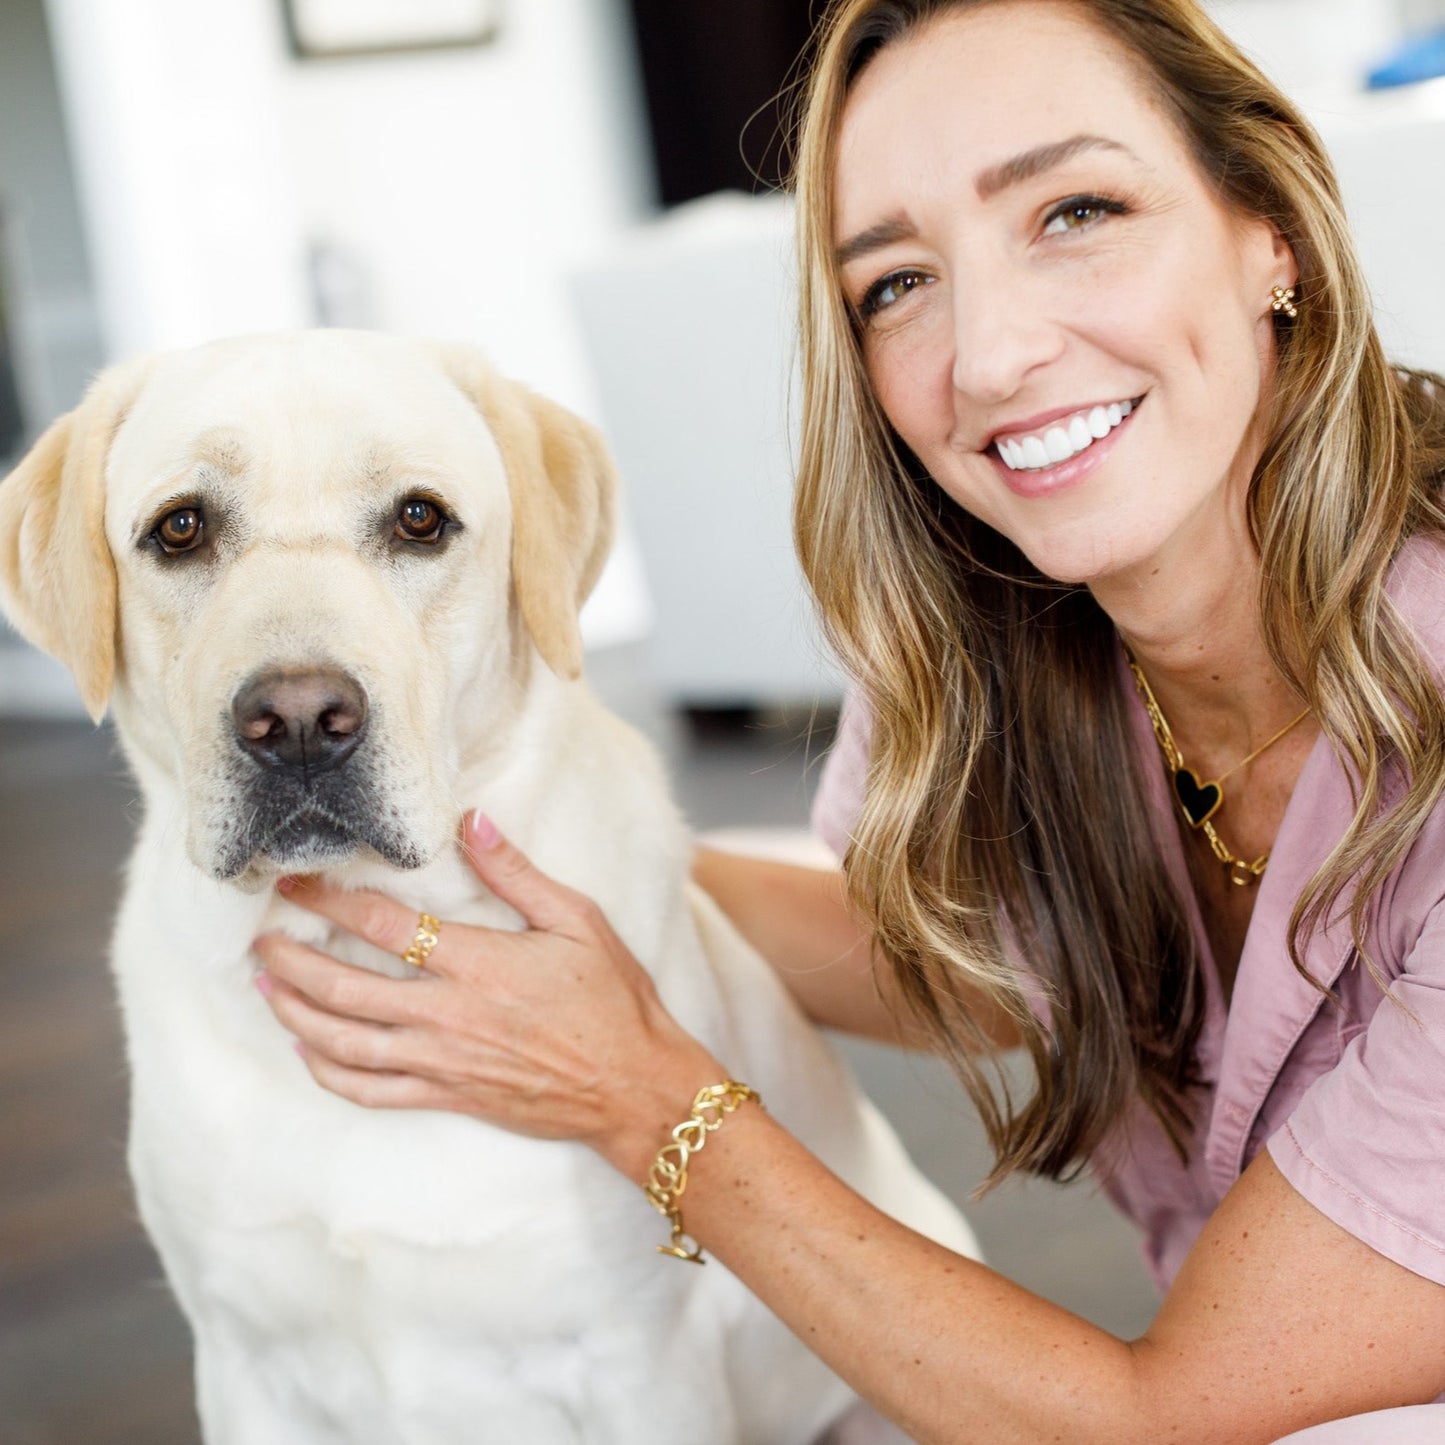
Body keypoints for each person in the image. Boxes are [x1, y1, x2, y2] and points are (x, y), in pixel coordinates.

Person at [251, 0, 1445, 1438]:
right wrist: (539, 865)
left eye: (1075, 208)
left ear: (1273, 232)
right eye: (893, 285)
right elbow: (983, 972)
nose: (990, 354)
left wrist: (640, 1091)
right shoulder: (1020, 637)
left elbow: (1171, 1414)